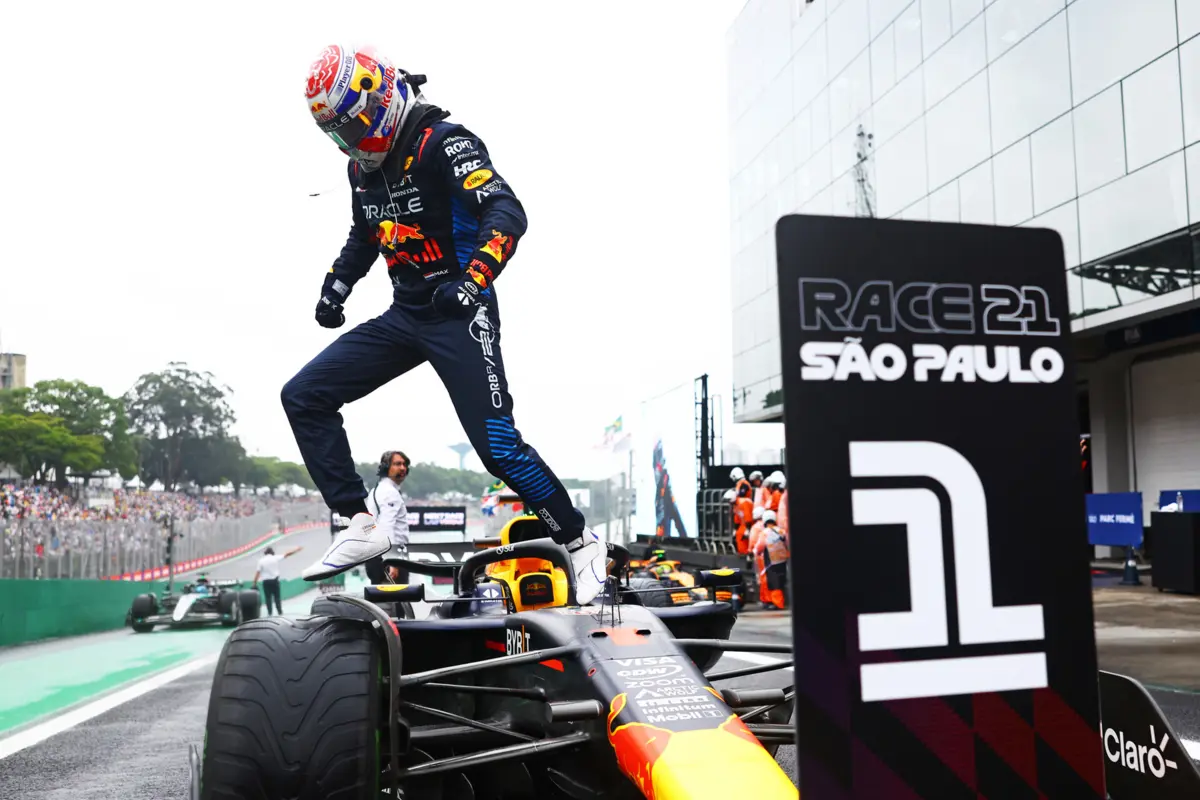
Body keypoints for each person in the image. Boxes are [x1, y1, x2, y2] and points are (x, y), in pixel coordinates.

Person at [284, 44, 607, 602]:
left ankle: (581, 545)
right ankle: (360, 526)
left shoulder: (446, 144)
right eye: (338, 135)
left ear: (378, 100)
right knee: (303, 395)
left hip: (462, 310)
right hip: (405, 314)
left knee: (499, 448)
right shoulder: (361, 169)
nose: (350, 142)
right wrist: (337, 284)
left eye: (352, 127)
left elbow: (507, 213)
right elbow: (367, 234)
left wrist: (475, 279)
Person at [366, 450, 411, 584]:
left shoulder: (376, 490)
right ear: (386, 468)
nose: (403, 468)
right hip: (389, 559)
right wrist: (392, 561)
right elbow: (387, 526)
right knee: (396, 603)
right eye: (397, 464)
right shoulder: (389, 493)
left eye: (404, 464)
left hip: (377, 556)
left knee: (382, 603)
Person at [253, 545, 305, 615]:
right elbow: (287, 554)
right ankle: (279, 611)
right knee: (277, 597)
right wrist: (296, 550)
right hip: (275, 581)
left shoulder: (261, 561)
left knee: (268, 598)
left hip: (266, 582)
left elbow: (258, 572)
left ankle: (269, 612)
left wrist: (254, 583)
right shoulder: (275, 558)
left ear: (265, 553)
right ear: (272, 552)